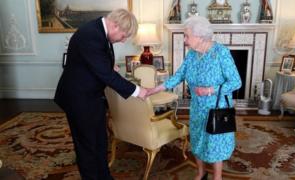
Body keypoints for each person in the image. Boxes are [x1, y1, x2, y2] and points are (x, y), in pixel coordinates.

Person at [54, 9, 147, 180]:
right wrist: (137, 91)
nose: (123, 40)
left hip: (93, 96)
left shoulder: (100, 31)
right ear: (115, 25)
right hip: (78, 98)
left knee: (100, 142)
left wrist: (108, 65)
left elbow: (99, 63)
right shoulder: (91, 35)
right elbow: (105, 74)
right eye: (124, 36)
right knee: (87, 146)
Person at [146, 16, 241, 180]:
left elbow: (236, 82)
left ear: (200, 36)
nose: (185, 40)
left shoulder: (221, 53)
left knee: (214, 142)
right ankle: (201, 172)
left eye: (187, 36)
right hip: (197, 107)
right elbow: (179, 75)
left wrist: (210, 90)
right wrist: (156, 88)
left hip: (216, 108)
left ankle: (217, 177)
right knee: (197, 139)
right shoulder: (192, 54)